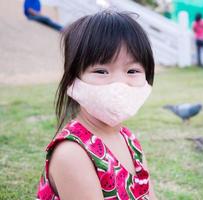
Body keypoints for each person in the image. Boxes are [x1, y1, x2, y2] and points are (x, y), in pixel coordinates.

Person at [36, 11, 157, 200]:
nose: (119, 84)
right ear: (73, 79)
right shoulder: (72, 154)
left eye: (132, 70)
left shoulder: (129, 140)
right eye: (101, 71)